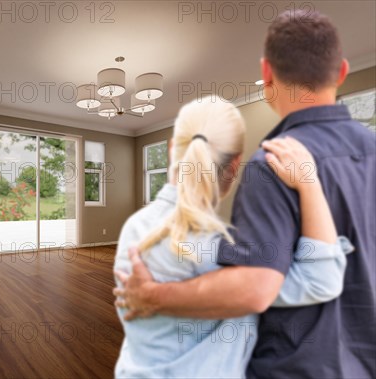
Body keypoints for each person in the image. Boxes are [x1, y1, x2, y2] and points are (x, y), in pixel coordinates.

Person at [114, 9, 376, 378]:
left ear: (267, 73)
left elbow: (254, 287)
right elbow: (305, 281)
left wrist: (152, 296)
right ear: (343, 71)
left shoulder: (270, 165)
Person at [113, 97, 353, 378]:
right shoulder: (220, 247)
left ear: (171, 150)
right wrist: (309, 183)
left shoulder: (134, 225)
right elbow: (320, 279)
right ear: (235, 164)